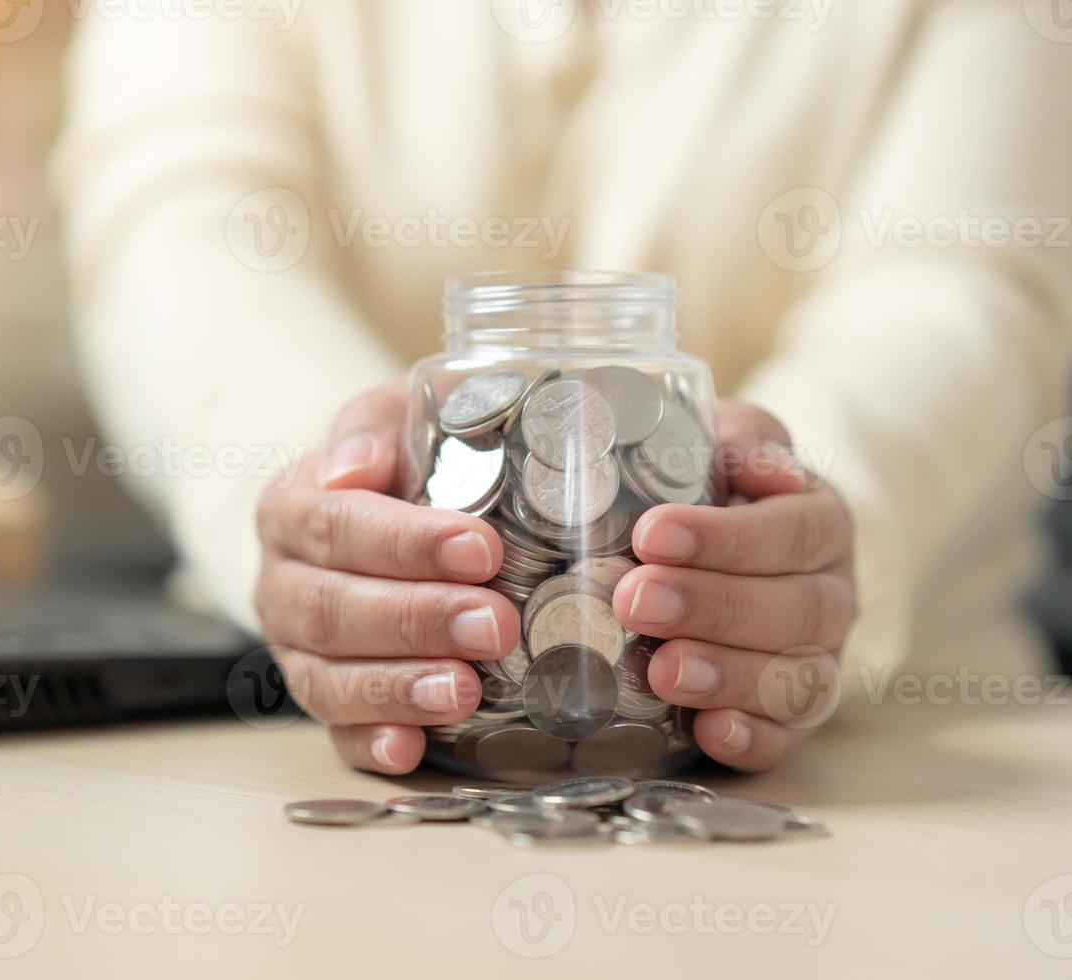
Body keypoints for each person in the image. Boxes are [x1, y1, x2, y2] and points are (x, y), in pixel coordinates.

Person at [54, 1, 1072, 775]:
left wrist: (811, 516)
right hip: (309, 736)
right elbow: (176, 224)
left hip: (907, 757)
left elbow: (974, 278)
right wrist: (332, 504)